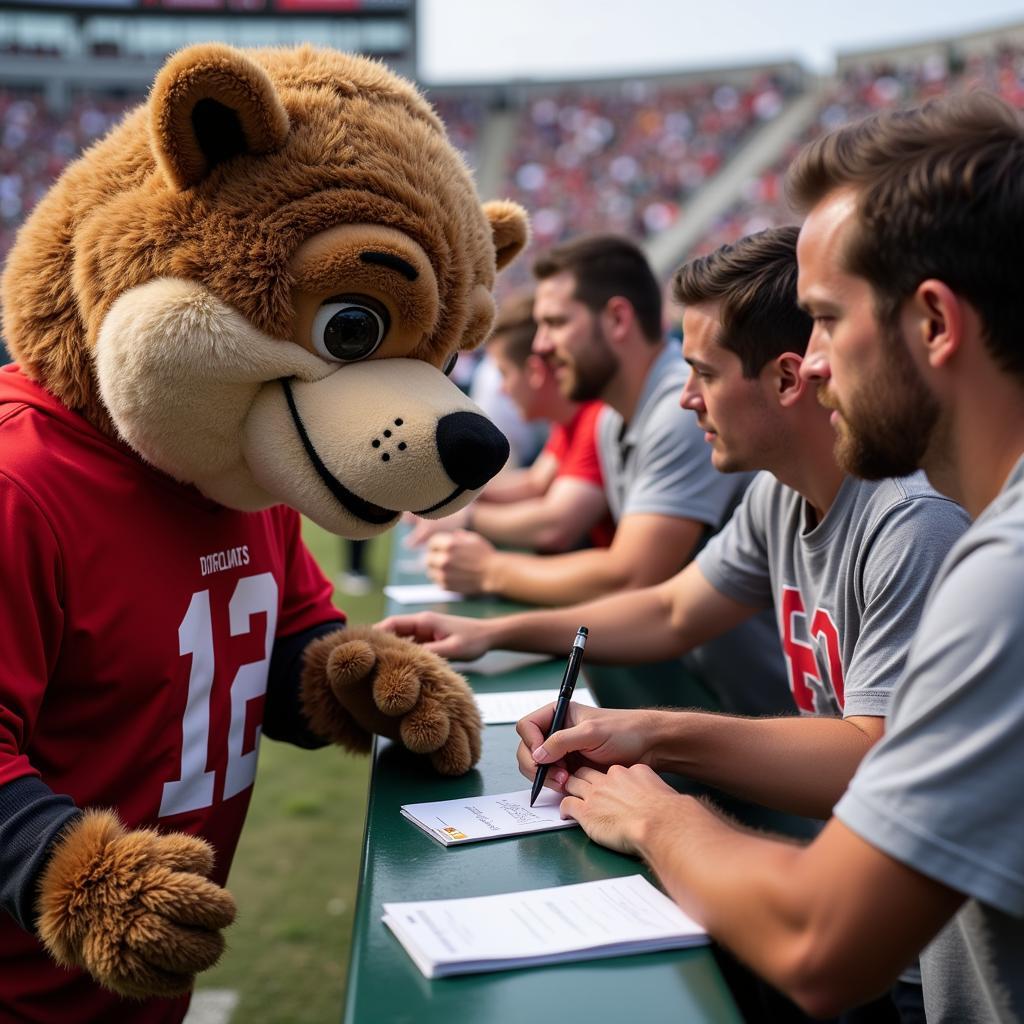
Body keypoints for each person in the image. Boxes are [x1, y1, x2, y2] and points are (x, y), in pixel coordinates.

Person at [509, 93, 1024, 1021]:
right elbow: (670, 608)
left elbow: (820, 943)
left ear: (936, 324)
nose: (812, 360)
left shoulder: (983, 561)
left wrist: (656, 807)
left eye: (826, 319)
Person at [381, 225, 967, 825]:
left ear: (789, 379)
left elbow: (876, 758)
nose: (687, 398)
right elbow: (671, 611)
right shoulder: (777, 493)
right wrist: (492, 635)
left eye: (705, 374)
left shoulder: (911, 519)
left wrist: (654, 734)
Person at [420, 234, 753, 607]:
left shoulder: (680, 408)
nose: (541, 346)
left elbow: (629, 577)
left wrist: (488, 568)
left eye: (556, 322)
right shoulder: (614, 416)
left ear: (617, 318)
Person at [404, 291, 614, 554]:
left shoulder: (593, 415)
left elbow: (555, 525)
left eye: (504, 373)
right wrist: (450, 492)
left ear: (535, 371)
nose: (502, 390)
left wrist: (466, 517)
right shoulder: (570, 420)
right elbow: (534, 483)